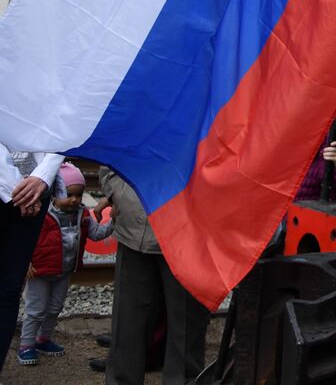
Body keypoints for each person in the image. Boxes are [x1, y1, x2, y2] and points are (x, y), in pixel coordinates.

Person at [100, 166, 211, 385]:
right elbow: (112, 144)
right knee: (128, 327)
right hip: (135, 225)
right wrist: (117, 193)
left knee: (185, 333)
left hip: (189, 230)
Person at [16, 162, 116, 365]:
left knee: (54, 308)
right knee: (36, 310)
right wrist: (26, 263)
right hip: (40, 272)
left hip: (64, 271)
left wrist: (113, 223)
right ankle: (26, 345)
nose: (74, 200)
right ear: (54, 193)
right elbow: (25, 241)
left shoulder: (82, 215)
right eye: (68, 194)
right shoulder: (43, 215)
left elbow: (96, 234)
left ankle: (43, 339)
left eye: (79, 195)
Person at [1, 141, 63, 377]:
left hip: (35, 188)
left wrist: (43, 176)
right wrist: (18, 187)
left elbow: (66, 127)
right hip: (22, 189)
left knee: (8, 291)